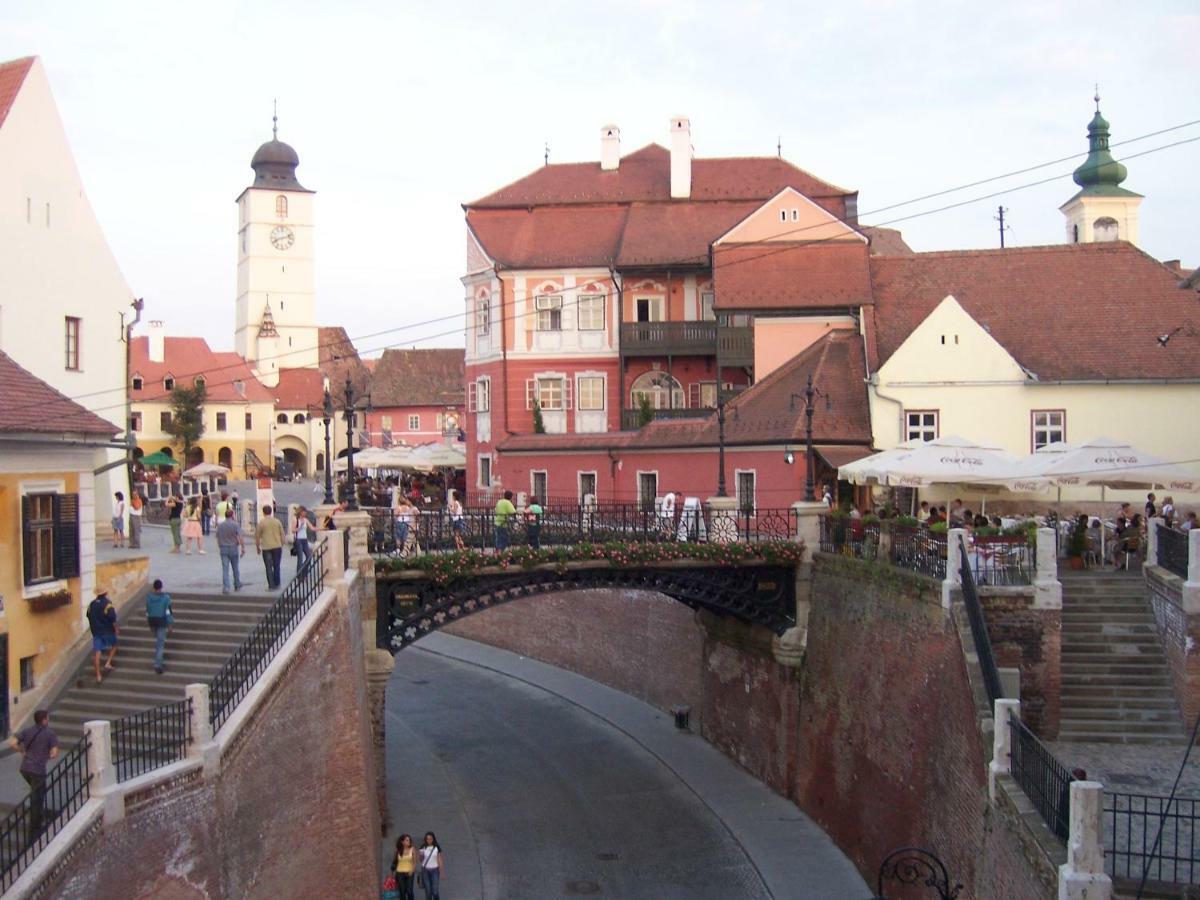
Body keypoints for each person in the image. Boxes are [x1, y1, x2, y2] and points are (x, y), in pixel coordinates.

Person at [7, 710, 59, 837]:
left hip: (25, 768)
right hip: (38, 770)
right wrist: (48, 755)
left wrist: (22, 751)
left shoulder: (28, 730)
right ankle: (34, 829)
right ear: (45, 720)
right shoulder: (50, 734)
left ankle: (38, 819)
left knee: (35, 792)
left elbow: (12, 743)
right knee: (38, 798)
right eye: (48, 718)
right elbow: (54, 752)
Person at [87, 590, 118, 683]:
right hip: (107, 630)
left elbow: (88, 615)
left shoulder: (91, 605)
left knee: (97, 652)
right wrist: (115, 628)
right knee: (114, 645)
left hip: (96, 631)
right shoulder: (107, 604)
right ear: (105, 593)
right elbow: (113, 618)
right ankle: (108, 662)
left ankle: (98, 675)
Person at [145, 578, 174, 674]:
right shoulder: (166, 598)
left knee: (158, 641)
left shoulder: (149, 597)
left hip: (152, 620)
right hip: (161, 620)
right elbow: (168, 612)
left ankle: (159, 660)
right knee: (160, 644)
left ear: (154, 587)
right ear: (161, 587)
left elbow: (148, 610)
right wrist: (170, 624)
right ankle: (158, 664)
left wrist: (149, 622)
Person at [255, 505, 285, 589]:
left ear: (263, 512)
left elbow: (257, 536)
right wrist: (282, 543)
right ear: (271, 511)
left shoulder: (261, 523)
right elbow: (282, 534)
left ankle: (271, 585)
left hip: (266, 547)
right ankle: (277, 583)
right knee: (276, 565)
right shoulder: (277, 521)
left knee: (268, 567)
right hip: (277, 546)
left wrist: (257, 547)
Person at [216, 508, 245, 593]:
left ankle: (226, 587)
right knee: (235, 567)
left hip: (223, 547)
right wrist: (243, 548)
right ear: (232, 515)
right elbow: (240, 537)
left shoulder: (220, 525)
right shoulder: (236, 525)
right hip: (233, 547)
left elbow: (217, 537)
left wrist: (220, 546)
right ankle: (237, 584)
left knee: (225, 568)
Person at [418, 832, 443, 900]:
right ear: (425, 839)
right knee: (428, 891)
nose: (429, 840)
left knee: (435, 891)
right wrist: (421, 855)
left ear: (433, 839)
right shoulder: (423, 847)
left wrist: (442, 873)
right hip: (425, 870)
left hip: (435, 870)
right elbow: (420, 860)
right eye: (427, 839)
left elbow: (440, 860)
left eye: (430, 839)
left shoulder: (437, 847)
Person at [393, 834, 417, 900]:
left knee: (409, 891)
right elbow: (394, 862)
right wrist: (392, 872)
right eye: (407, 840)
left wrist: (412, 871)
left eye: (409, 840)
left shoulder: (412, 849)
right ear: (402, 842)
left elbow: (415, 862)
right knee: (402, 892)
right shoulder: (397, 850)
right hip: (399, 873)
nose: (409, 841)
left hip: (409, 873)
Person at [292, 505, 314, 572]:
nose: (305, 514)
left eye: (305, 512)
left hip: (304, 539)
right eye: (304, 512)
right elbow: (293, 530)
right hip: (298, 540)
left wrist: (322, 529)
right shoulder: (296, 519)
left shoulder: (305, 520)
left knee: (309, 556)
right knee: (300, 558)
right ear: (300, 512)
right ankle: (299, 574)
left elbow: (312, 528)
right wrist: (300, 527)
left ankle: (303, 570)